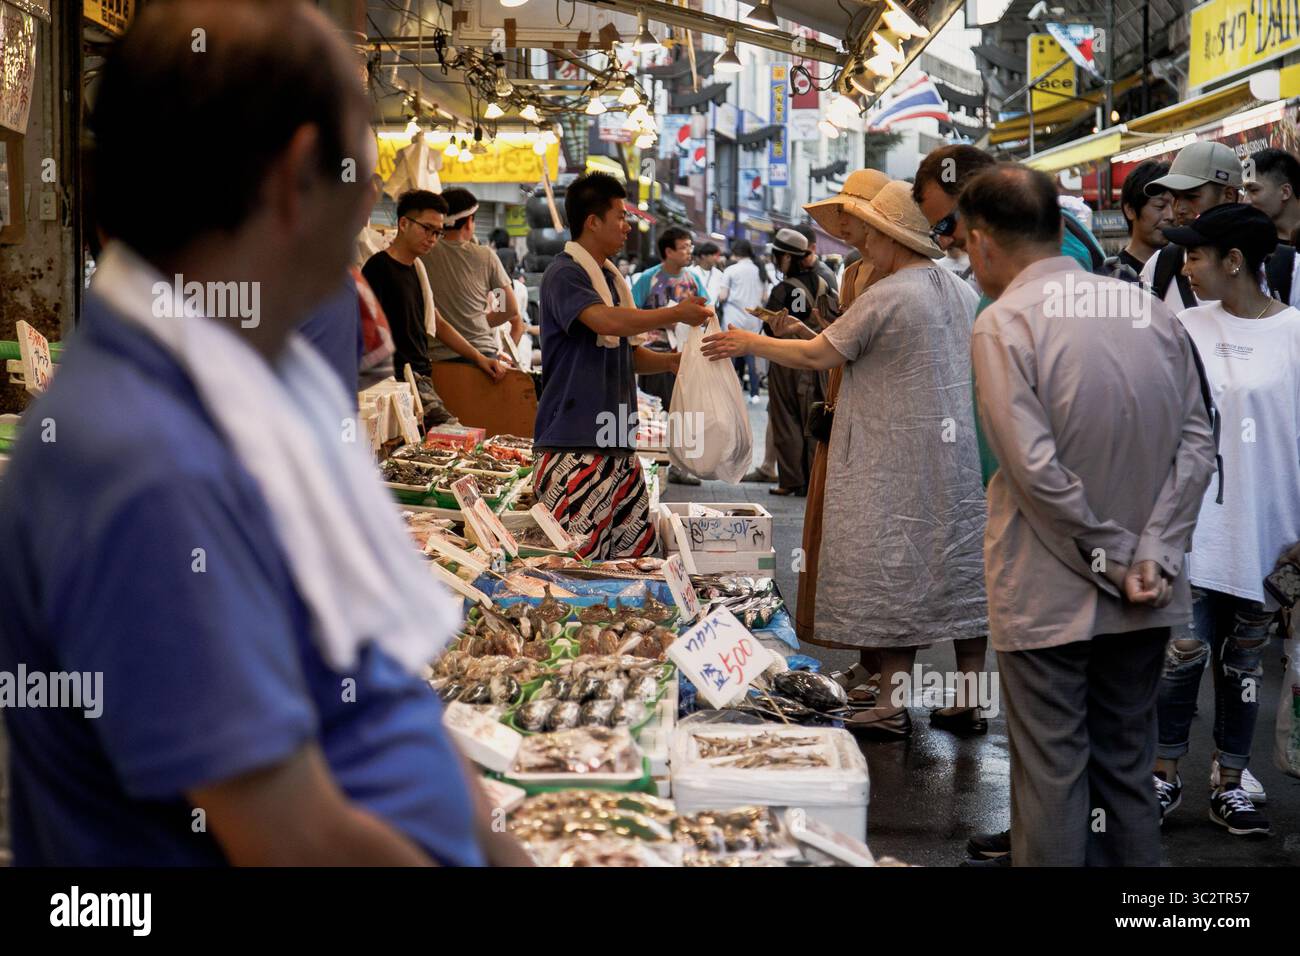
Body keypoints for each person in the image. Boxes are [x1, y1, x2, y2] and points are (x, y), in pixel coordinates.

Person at [0, 0, 529, 866]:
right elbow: (294, 839)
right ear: (295, 178)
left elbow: (374, 692)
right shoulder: (138, 460)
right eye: (364, 170)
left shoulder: (247, 383)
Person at [965, 164, 1217, 866]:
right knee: (1127, 773)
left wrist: (1114, 559)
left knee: (1051, 777)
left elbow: (1034, 470)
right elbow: (1200, 440)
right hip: (1148, 593)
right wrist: (1154, 554)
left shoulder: (1005, 322)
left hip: (1048, 596)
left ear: (983, 243)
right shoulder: (1149, 309)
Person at [701, 182, 987, 739]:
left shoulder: (891, 291)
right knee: (957, 574)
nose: (863, 247)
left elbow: (818, 353)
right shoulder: (959, 289)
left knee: (894, 570)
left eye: (868, 233)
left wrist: (747, 344)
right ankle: (972, 698)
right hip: (956, 459)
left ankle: (890, 703)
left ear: (886, 234)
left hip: (893, 459)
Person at [1151, 203, 1295, 837]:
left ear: (1234, 262)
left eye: (1196, 255)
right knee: (1181, 655)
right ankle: (1161, 776)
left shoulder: (1295, 334)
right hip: (1189, 531)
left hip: (1268, 534)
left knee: (1243, 666)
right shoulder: (1182, 327)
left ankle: (1231, 781)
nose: (1185, 266)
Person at [533, 172, 711, 557]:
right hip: (574, 445)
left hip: (617, 442)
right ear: (592, 221)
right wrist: (674, 313)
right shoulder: (565, 273)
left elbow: (627, 355)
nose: (627, 226)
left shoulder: (612, 280)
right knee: (578, 568)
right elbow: (605, 322)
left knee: (630, 563)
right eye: (620, 216)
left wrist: (673, 362)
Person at [795, 168, 890, 653]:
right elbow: (837, 342)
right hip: (839, 402)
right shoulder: (851, 272)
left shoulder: (899, 274)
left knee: (876, 539)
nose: (845, 225)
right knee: (834, 532)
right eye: (843, 216)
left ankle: (883, 666)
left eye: (853, 215)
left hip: (881, 414)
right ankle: (867, 659)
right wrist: (803, 336)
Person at [362, 191, 506, 426]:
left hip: (420, 377)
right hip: (392, 382)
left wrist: (480, 358)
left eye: (437, 232)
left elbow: (437, 323)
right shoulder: (378, 268)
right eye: (427, 228)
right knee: (453, 435)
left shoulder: (417, 268)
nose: (432, 238)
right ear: (404, 223)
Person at [632, 226, 711, 486]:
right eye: (684, 247)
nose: (689, 251)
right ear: (668, 251)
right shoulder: (648, 279)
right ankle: (655, 461)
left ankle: (681, 464)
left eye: (690, 246)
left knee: (685, 409)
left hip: (686, 353)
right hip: (654, 352)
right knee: (657, 409)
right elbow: (631, 312)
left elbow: (708, 309)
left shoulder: (693, 280)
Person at [759, 229, 831, 497]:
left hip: (787, 360)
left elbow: (770, 329)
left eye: (778, 257)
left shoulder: (783, 289)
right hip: (818, 359)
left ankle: (791, 480)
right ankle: (814, 479)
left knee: (786, 420)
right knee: (813, 419)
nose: (776, 262)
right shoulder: (826, 281)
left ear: (787, 257)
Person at [1139, 141, 1243, 311]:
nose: (1178, 209)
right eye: (1175, 197)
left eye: (1192, 197)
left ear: (1229, 196)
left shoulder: (1282, 267)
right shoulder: (1160, 266)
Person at [423, 187, 523, 362]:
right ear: (469, 222)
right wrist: (479, 323)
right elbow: (507, 306)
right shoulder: (485, 256)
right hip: (483, 355)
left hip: (435, 360)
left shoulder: (423, 253)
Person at [1242, 148, 1300, 307]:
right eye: (1244, 191)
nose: (1245, 201)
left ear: (1285, 191)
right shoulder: (1254, 250)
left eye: (1253, 190)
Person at [1104, 159, 1173, 282]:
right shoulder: (1113, 277)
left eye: (1175, 206)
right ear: (1130, 210)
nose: (1170, 215)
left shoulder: (1187, 270)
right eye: (1160, 206)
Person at [720, 238, 768, 412]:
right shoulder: (760, 270)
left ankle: (729, 394)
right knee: (751, 358)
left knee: (730, 358)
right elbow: (764, 298)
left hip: (733, 319)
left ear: (736, 252)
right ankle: (754, 393)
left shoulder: (731, 270)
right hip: (753, 320)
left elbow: (722, 296)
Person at [795, 223, 840, 296]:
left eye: (802, 254)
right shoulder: (794, 270)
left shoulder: (826, 276)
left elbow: (834, 305)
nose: (797, 259)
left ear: (813, 248)